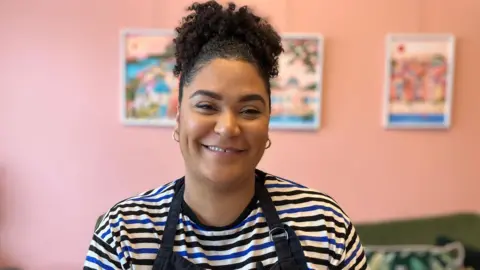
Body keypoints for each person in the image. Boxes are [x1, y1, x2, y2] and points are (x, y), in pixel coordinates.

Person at [84, 1, 369, 269]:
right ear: (179, 118)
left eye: (249, 111)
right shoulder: (123, 234)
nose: (228, 127)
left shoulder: (325, 226)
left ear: (267, 123)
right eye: (207, 106)